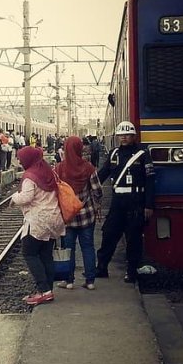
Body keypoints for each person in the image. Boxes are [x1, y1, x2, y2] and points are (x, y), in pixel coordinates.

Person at [95, 120, 155, 283]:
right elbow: (102, 174)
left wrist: (149, 205)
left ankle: (131, 271)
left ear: (134, 136)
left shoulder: (143, 154)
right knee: (109, 233)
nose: (124, 138)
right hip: (118, 202)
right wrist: (87, 187)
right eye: (121, 135)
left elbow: (150, 181)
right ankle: (101, 268)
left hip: (136, 201)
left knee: (133, 238)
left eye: (127, 135)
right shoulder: (114, 154)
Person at [11, 146, 65, 306]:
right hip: (53, 219)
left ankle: (44, 290)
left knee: (29, 253)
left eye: (21, 158)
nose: (19, 161)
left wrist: (14, 196)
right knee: (46, 255)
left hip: (38, 221)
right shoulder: (49, 171)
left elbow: (26, 198)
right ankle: (48, 290)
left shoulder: (30, 176)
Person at [54, 135, 103, 290]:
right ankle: (90, 281)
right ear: (80, 148)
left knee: (69, 248)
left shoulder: (59, 168)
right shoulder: (88, 167)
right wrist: (97, 205)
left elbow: (55, 192)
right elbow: (97, 190)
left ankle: (68, 281)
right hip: (87, 215)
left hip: (68, 217)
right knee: (88, 247)